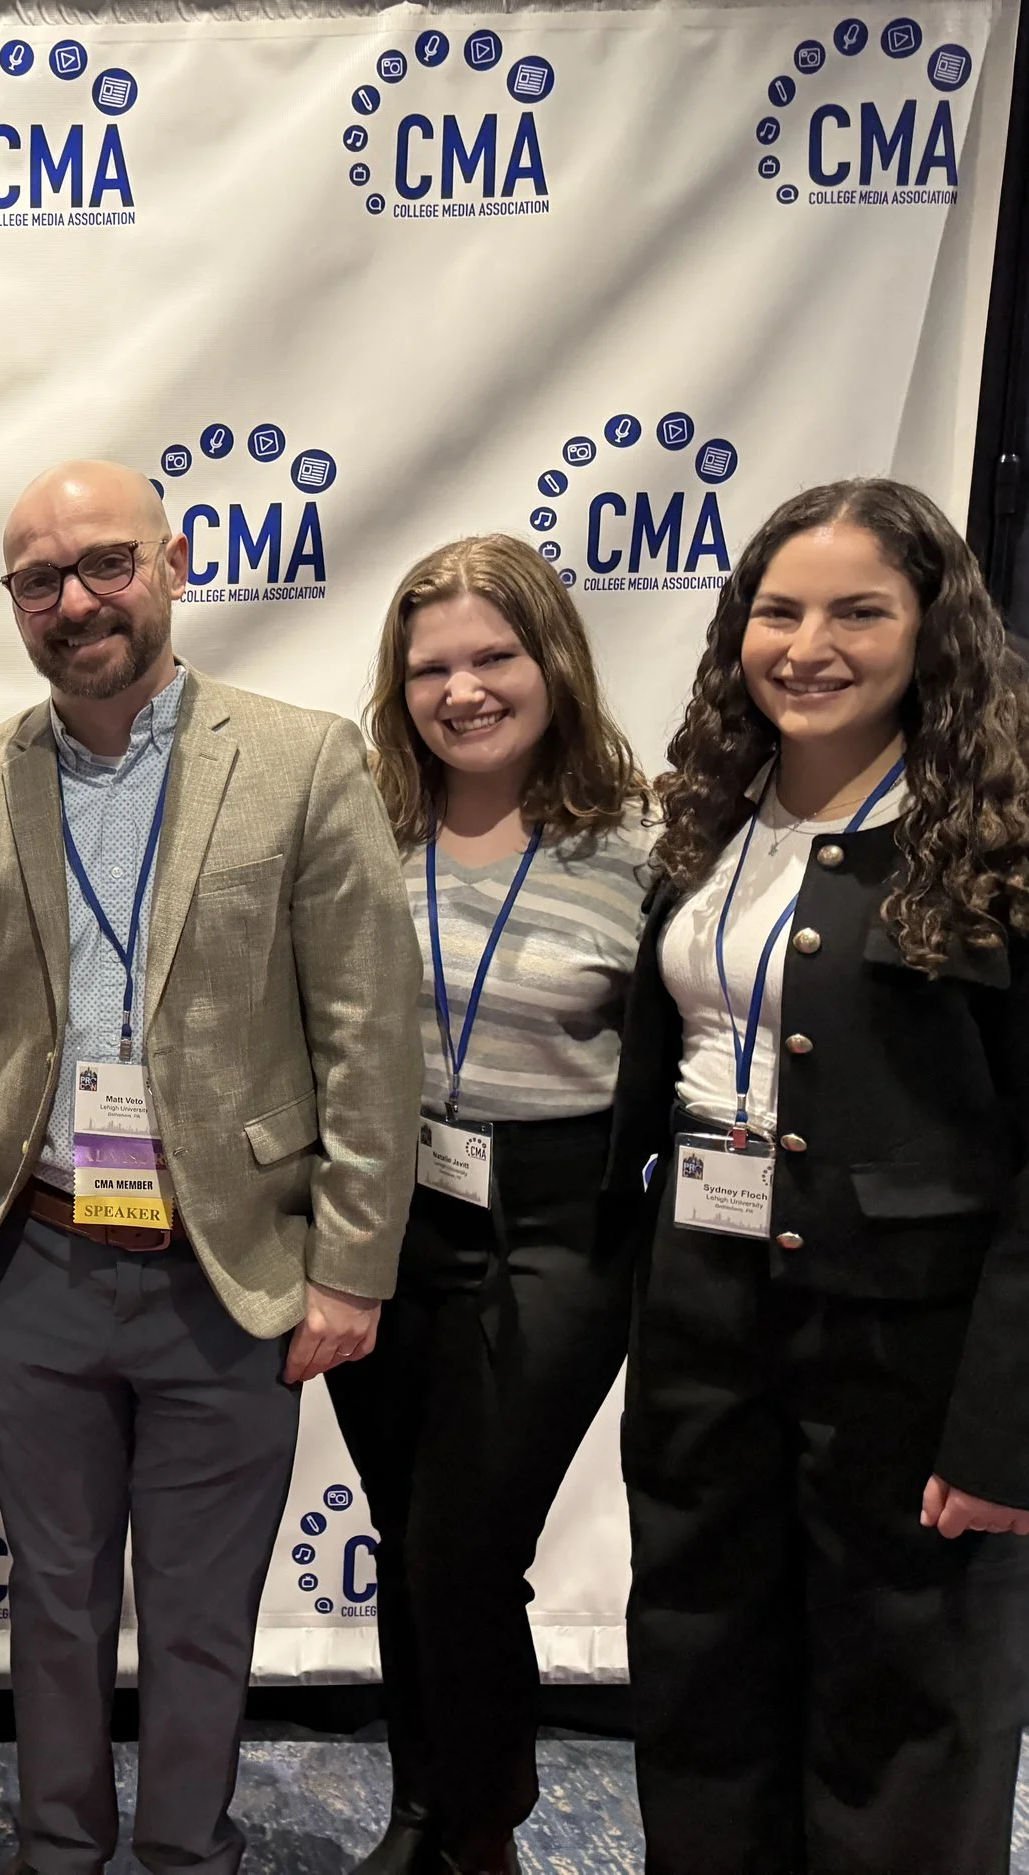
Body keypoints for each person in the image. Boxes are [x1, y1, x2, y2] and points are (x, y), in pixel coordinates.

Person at [0, 461, 421, 1875]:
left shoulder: (305, 759)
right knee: (54, 1599)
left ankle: (189, 1848)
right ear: (12, 604)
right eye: (38, 580)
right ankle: (59, 1843)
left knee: (203, 1608)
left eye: (105, 563)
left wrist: (350, 1263)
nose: (75, 601)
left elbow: (369, 1036)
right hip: (40, 1261)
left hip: (234, 1266)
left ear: (176, 561)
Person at [606, 478, 1029, 1874]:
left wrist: (1004, 1424)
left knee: (907, 1694)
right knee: (701, 1663)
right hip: (706, 1321)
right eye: (778, 610)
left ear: (932, 630)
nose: (809, 643)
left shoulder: (993, 839)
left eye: (860, 609)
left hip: (904, 1344)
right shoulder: (709, 818)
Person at [325, 538, 650, 1875]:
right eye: (429, 667)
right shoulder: (363, 823)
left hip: (560, 1227)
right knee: (412, 1535)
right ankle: (424, 1804)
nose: (461, 689)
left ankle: (480, 1826)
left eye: (492, 657)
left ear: (552, 660)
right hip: (386, 1218)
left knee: (465, 1543)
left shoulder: (643, 840)